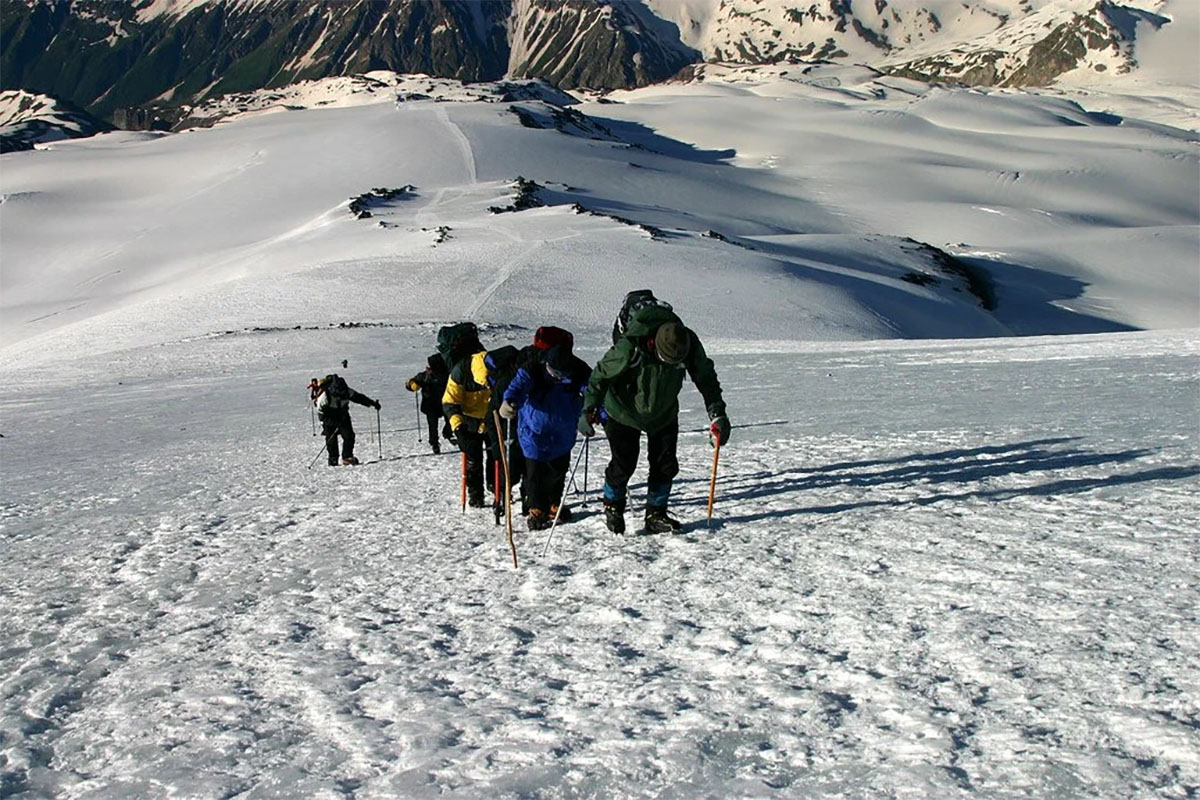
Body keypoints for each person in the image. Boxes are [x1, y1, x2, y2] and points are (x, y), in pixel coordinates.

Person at [579, 302, 730, 534]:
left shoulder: (687, 343)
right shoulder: (630, 346)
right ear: (655, 346)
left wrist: (717, 413)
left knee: (665, 464)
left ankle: (655, 513)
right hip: (623, 411)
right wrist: (588, 409)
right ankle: (612, 505)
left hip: (663, 412)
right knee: (624, 463)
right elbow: (600, 376)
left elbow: (706, 377)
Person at [501, 342, 591, 531]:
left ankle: (553, 503)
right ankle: (536, 507)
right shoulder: (532, 369)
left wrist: (593, 412)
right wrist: (508, 402)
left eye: (562, 374)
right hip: (533, 431)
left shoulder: (578, 371)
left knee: (558, 469)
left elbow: (593, 392)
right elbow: (516, 388)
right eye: (555, 373)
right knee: (535, 472)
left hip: (563, 431)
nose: (558, 377)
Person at [442, 326, 490, 507]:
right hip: (471, 421)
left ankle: (484, 493)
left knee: (479, 459)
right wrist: (457, 424)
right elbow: (450, 401)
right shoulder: (461, 369)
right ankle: (482, 493)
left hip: (487, 419)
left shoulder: (478, 364)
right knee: (476, 459)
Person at [314, 373, 380, 466]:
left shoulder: (347, 392)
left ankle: (347, 457)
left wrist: (373, 404)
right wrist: (325, 424)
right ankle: (333, 459)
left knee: (349, 436)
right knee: (331, 438)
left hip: (343, 415)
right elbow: (320, 412)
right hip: (329, 417)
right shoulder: (325, 397)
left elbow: (359, 398)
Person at [406, 354, 453, 454]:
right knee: (433, 425)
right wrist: (412, 385)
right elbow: (410, 382)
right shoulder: (426, 375)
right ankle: (435, 443)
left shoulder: (448, 374)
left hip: (445, 403)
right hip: (431, 405)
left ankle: (447, 433)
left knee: (450, 421)